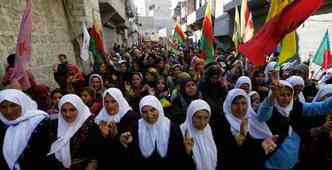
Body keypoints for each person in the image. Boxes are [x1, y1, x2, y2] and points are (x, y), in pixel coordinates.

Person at [256, 71, 332, 170]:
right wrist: (272, 97)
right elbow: (262, 117)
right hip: (271, 164)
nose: (286, 98)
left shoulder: (296, 106)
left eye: (289, 94)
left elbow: (320, 107)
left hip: (292, 163)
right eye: (282, 95)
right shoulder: (270, 108)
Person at [119, 95, 188, 170]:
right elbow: (132, 156)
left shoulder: (172, 127)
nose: (149, 115)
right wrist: (126, 143)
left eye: (152, 110)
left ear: (158, 108)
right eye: (144, 112)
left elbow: (178, 156)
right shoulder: (136, 127)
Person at [0, 89, 50, 170]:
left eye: (13, 105)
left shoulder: (40, 122)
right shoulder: (3, 125)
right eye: (3, 107)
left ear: (23, 104)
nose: (8, 111)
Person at [48, 94, 98, 170]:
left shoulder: (90, 126)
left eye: (72, 110)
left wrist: (94, 162)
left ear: (79, 109)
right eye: (64, 110)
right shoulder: (54, 125)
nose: (68, 114)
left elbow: (97, 151)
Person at [94, 88, 140, 170]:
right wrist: (104, 137)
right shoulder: (101, 117)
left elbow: (134, 147)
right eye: (106, 102)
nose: (109, 105)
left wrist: (116, 136)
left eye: (113, 101)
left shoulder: (131, 117)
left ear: (120, 101)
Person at [220, 89, 265, 170]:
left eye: (243, 103)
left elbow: (256, 150)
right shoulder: (222, 123)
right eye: (235, 104)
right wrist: (236, 141)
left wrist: (263, 146)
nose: (240, 108)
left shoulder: (252, 120)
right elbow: (223, 153)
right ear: (229, 105)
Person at [180, 99, 219, 170]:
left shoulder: (208, 130)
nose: (202, 122)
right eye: (198, 117)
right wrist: (187, 152)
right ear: (190, 116)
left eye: (206, 118)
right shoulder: (181, 132)